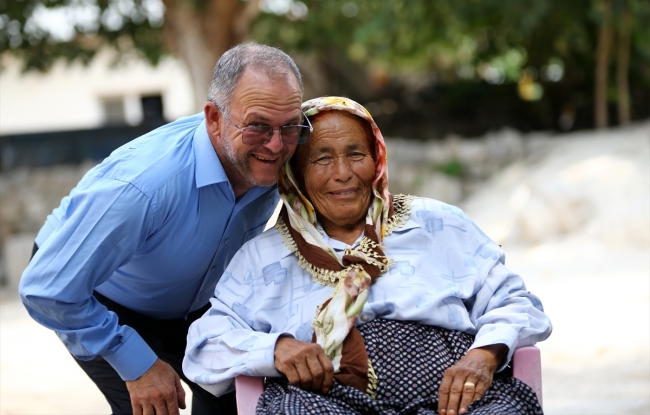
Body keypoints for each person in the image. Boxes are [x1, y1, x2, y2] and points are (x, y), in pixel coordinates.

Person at [182, 96, 553, 415]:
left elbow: (516, 302)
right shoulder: (263, 257)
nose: (342, 174)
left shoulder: (439, 224)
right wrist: (276, 348)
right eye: (321, 159)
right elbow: (205, 344)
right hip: (328, 402)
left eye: (355, 154)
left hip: (453, 400)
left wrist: (483, 356)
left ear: (376, 158)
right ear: (294, 171)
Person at [19, 43, 310, 415]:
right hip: (94, 291)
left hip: (197, 301)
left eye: (289, 126)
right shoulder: (143, 187)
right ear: (214, 118)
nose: (276, 145)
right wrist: (136, 363)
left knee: (241, 402)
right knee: (156, 406)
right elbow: (47, 289)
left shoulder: (285, 149)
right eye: (257, 127)